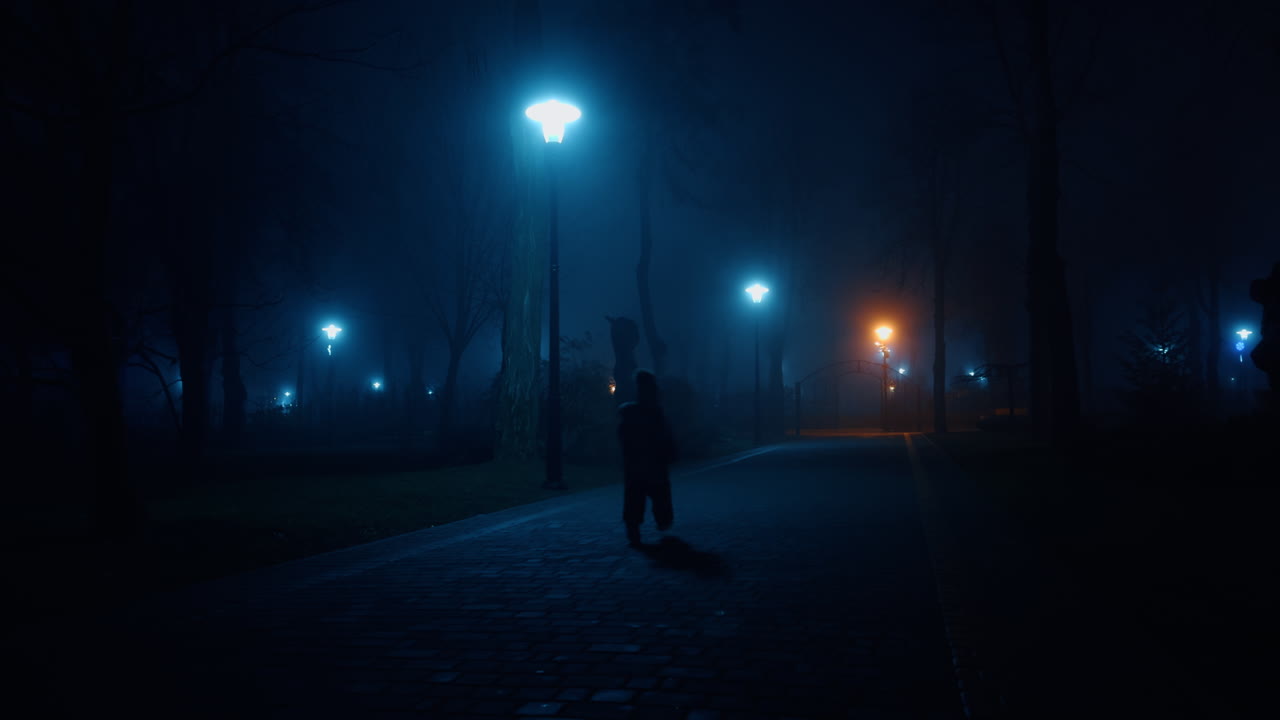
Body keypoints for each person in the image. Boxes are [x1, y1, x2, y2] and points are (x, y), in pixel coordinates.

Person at [618, 369, 677, 546]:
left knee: (636, 494)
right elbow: (663, 431)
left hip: (637, 458)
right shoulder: (654, 407)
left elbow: (624, 434)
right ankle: (662, 520)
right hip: (653, 457)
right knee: (659, 492)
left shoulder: (631, 408)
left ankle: (634, 525)